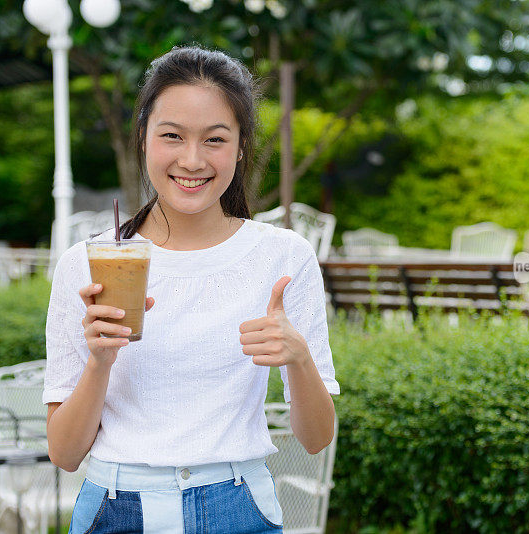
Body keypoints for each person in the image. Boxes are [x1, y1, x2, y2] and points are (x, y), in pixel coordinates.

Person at [43, 46, 339, 533]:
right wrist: (99, 360)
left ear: (241, 147)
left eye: (215, 139)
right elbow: (65, 453)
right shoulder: (89, 264)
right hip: (116, 509)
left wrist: (299, 358)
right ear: (144, 139)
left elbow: (315, 439)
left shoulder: (284, 257)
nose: (192, 160)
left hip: (239, 509)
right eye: (172, 136)